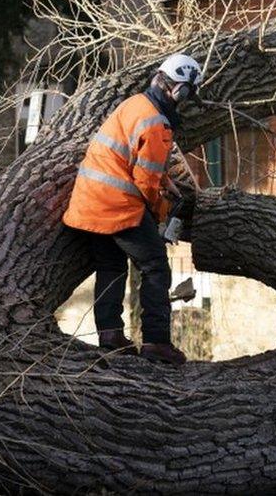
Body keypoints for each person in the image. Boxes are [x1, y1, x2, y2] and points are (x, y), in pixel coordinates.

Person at [62, 53, 203, 365]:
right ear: (178, 90)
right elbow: (144, 180)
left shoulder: (135, 104)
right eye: (187, 95)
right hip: (117, 206)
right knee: (155, 267)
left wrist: (164, 178)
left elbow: (131, 157)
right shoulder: (158, 124)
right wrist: (159, 212)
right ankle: (156, 342)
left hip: (89, 203)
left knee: (111, 267)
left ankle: (110, 336)